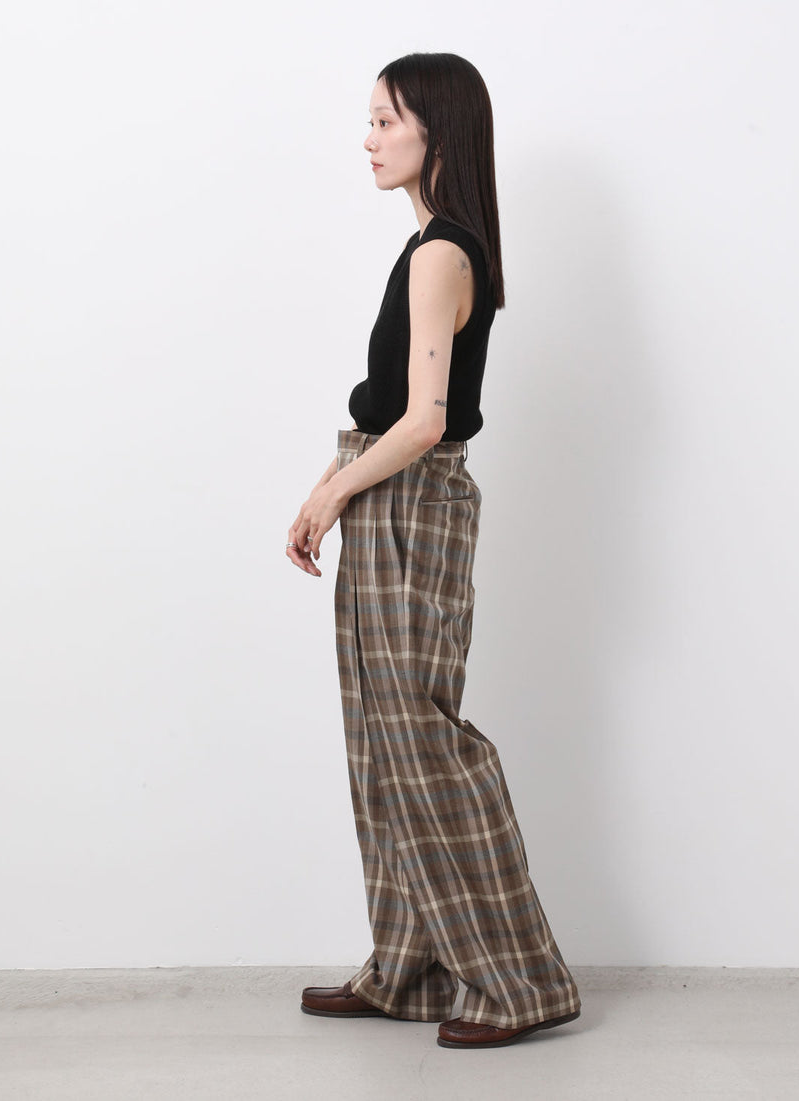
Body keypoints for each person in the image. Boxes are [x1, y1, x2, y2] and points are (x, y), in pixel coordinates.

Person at [286, 52, 581, 1050]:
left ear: (436, 130)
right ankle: (411, 964)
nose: (368, 139)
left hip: (409, 497)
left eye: (385, 121)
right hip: (388, 491)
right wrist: (330, 485)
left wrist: (334, 491)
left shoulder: (441, 253)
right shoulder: (431, 247)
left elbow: (424, 421)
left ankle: (520, 980)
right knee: (382, 738)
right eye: (370, 121)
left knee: (421, 735)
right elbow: (395, 415)